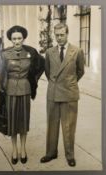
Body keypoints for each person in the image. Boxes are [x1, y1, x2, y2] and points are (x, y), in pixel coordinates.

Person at [0, 25, 44, 165]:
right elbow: (0, 73)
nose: (17, 41)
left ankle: (23, 149)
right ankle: (14, 150)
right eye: (14, 39)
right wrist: (1, 91)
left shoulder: (30, 52)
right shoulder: (4, 54)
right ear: (11, 40)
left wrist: (33, 80)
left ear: (23, 38)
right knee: (12, 122)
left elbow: (41, 65)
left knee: (23, 121)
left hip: (25, 90)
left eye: (19, 38)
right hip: (10, 90)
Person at [40, 23, 85, 166]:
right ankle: (51, 153)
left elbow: (80, 71)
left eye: (62, 35)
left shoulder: (77, 51)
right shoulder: (49, 52)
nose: (59, 38)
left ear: (67, 34)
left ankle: (70, 155)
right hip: (53, 94)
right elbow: (48, 72)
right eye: (57, 35)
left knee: (69, 126)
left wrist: (69, 83)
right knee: (52, 125)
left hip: (69, 94)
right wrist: (56, 84)